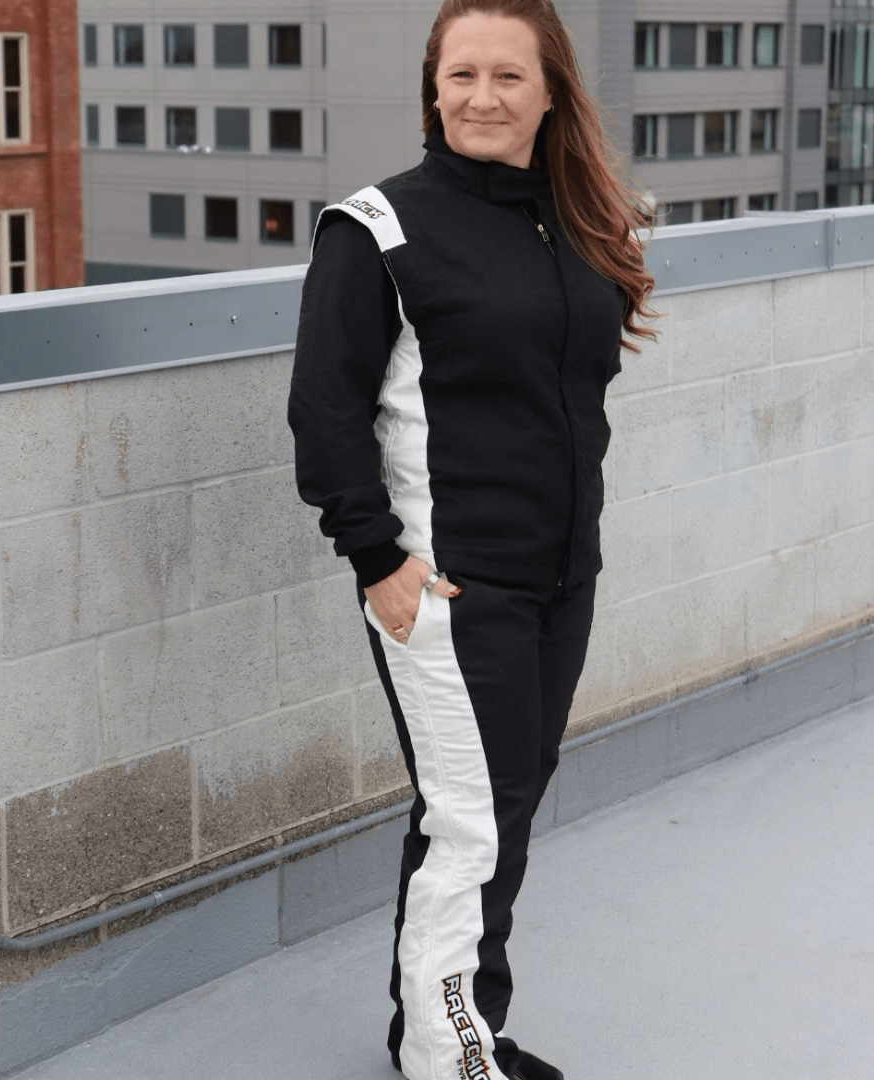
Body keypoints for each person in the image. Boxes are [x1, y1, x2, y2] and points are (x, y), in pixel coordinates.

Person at [288, 2, 655, 1078]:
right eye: (461, 76)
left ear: (551, 92)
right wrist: (379, 562)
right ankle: (448, 1062)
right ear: (431, 86)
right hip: (443, 586)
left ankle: (453, 1026)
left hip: (557, 577)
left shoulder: (575, 221)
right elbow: (325, 411)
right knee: (470, 823)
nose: (480, 98)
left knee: (510, 805)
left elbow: (575, 386)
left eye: (507, 76)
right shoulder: (377, 229)